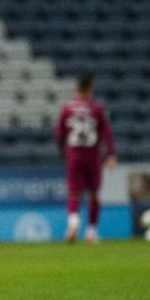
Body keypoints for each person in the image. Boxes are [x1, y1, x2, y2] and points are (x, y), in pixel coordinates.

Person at [55, 73, 117, 244]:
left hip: (74, 154)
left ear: (77, 89)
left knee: (74, 193)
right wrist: (111, 154)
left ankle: (73, 224)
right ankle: (91, 232)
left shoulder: (67, 108)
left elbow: (59, 134)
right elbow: (106, 133)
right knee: (94, 194)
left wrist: (63, 152)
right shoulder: (97, 109)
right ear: (90, 90)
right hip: (92, 155)